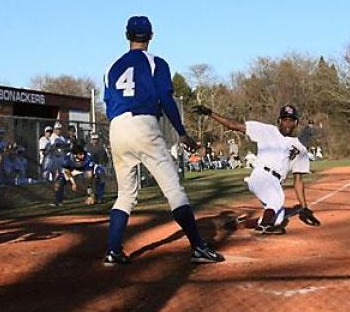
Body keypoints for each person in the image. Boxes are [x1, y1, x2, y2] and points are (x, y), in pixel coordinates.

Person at [102, 15, 224, 266]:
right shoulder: (156, 63)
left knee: (125, 194)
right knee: (173, 189)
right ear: (151, 36)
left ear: (127, 35)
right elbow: (166, 100)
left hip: (116, 126)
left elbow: (108, 105)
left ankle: (113, 251)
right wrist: (181, 131)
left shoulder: (111, 66)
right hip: (143, 124)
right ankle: (198, 247)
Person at [192, 104, 320, 234]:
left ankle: (240, 224)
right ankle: (264, 225)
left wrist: (304, 208)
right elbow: (234, 126)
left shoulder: (298, 147)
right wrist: (210, 113)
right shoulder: (267, 130)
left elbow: (298, 180)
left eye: (291, 120)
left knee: (278, 218)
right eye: (285, 119)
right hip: (261, 175)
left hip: (275, 182)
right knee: (277, 199)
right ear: (279, 121)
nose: (287, 123)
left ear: (296, 123)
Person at [85, 133, 108, 203]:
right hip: (89, 166)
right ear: (91, 140)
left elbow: (105, 159)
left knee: (101, 179)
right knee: (89, 181)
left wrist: (102, 165)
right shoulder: (87, 147)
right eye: (93, 139)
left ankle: (99, 197)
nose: (95, 141)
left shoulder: (100, 148)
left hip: (98, 165)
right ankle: (90, 196)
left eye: (96, 139)